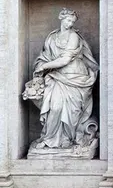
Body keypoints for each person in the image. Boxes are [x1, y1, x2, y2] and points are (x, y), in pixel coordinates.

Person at [27, 9, 98, 151]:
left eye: (72, 21)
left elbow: (65, 59)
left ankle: (67, 139)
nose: (70, 23)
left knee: (72, 111)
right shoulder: (52, 37)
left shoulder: (73, 36)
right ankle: (49, 139)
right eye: (68, 20)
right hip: (57, 77)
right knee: (55, 107)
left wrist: (45, 67)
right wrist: (41, 65)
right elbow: (45, 56)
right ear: (61, 18)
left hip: (75, 77)